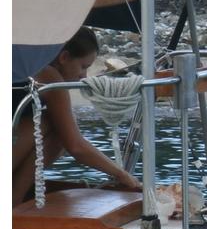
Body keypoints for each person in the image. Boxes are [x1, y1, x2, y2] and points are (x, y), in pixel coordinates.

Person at [12, 26, 141, 206]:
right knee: (55, 128)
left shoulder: (28, 65)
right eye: (83, 67)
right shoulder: (49, 76)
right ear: (64, 57)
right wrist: (122, 175)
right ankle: (13, 203)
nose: (84, 76)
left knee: (54, 127)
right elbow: (76, 146)